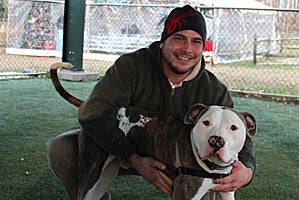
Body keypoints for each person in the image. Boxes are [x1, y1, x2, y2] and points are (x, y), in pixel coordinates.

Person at [47, 5, 256, 200]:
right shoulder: (132, 67)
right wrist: (133, 158)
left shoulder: (213, 90)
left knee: (210, 183)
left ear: (203, 47)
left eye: (196, 41)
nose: (187, 49)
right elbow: (92, 114)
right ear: (163, 41)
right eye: (179, 38)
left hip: (176, 158)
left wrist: (247, 170)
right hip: (124, 146)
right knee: (61, 149)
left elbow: (238, 133)